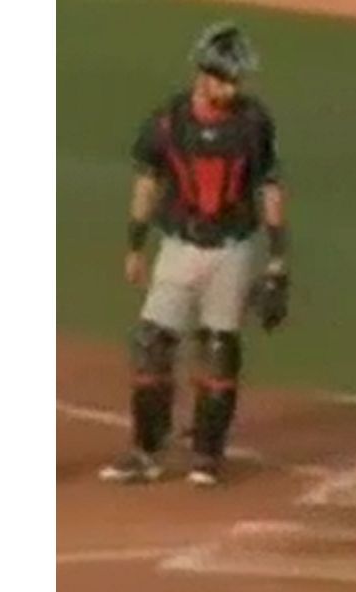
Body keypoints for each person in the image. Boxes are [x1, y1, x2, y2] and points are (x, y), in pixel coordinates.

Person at [99, 22, 290, 487]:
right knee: (151, 344)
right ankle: (147, 450)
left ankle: (207, 454)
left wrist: (278, 256)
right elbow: (147, 183)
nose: (233, 88)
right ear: (204, 75)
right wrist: (135, 245)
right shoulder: (168, 123)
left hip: (233, 248)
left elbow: (269, 187)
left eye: (237, 79)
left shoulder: (253, 123)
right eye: (226, 79)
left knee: (219, 348)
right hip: (178, 246)